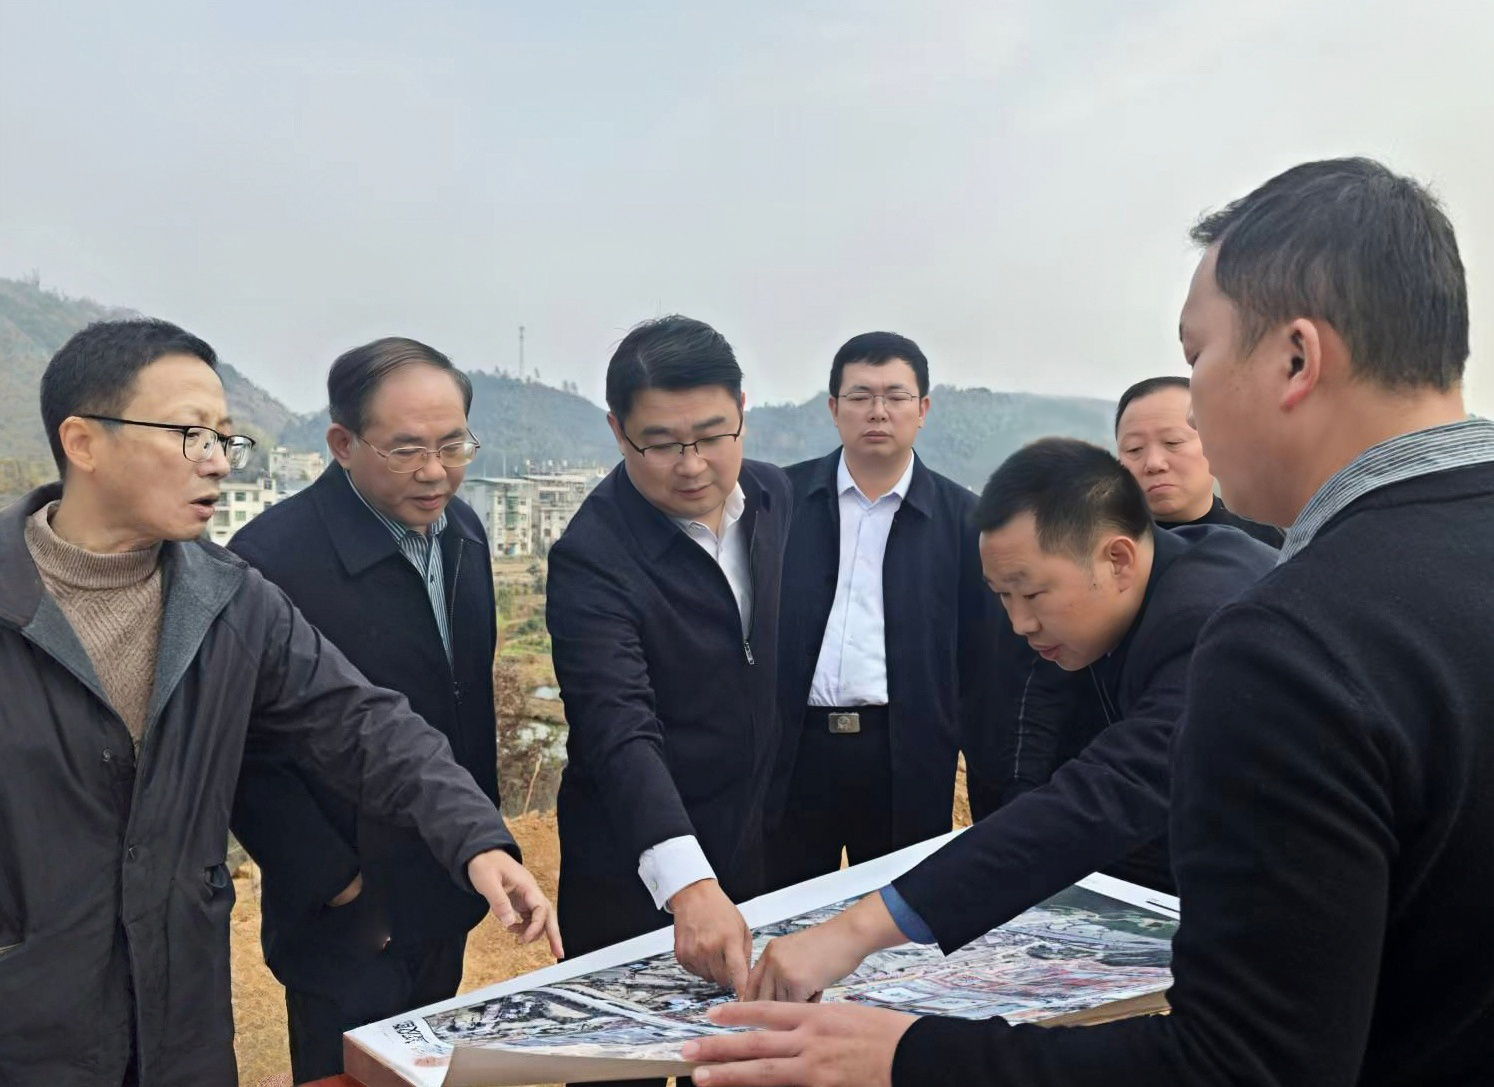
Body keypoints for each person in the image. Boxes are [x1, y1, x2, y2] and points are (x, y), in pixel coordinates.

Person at [683, 157, 1494, 1086]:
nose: (1189, 407)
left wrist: (907, 1053)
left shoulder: (1290, 635)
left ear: (1297, 360)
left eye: (1196, 356)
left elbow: (1241, 1064)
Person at [0, 319, 558, 1087]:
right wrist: (332, 878)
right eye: (190, 435)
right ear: (83, 442)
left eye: (224, 437)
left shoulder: (230, 600)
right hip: (28, 1025)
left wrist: (476, 839)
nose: (217, 461)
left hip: (180, 1022)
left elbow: (364, 722)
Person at [741, 436, 1273, 997]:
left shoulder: (1212, 621)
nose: (1020, 624)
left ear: (1117, 559)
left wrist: (854, 933)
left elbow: (1108, 794)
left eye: (1032, 594)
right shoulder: (1122, 605)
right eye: (1002, 597)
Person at [228, 337, 535, 1083]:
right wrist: (335, 879)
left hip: (448, 879)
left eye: (453, 445)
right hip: (343, 914)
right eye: (406, 450)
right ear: (343, 443)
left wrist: (479, 836)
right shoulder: (270, 559)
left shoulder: (463, 533)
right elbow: (243, 755)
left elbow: (465, 696)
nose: (436, 471)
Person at [545, 316, 791, 1083]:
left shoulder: (777, 500)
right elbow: (617, 727)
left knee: (748, 1061)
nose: (691, 465)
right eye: (661, 443)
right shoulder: (592, 555)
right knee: (630, 1067)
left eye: (712, 435)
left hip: (758, 849)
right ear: (617, 431)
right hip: (634, 869)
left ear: (742, 410)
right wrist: (687, 883)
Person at [770, 331, 1000, 887]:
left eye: (896, 396)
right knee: (780, 909)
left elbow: (984, 656)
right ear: (833, 408)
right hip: (792, 751)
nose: (878, 411)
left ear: (922, 409)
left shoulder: (966, 520)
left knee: (901, 913)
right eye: (860, 396)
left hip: (907, 753)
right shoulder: (778, 501)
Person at [1115, 375, 1284, 546]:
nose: (1153, 463)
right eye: (1134, 449)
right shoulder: (1107, 545)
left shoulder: (1265, 539)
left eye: (1173, 442)